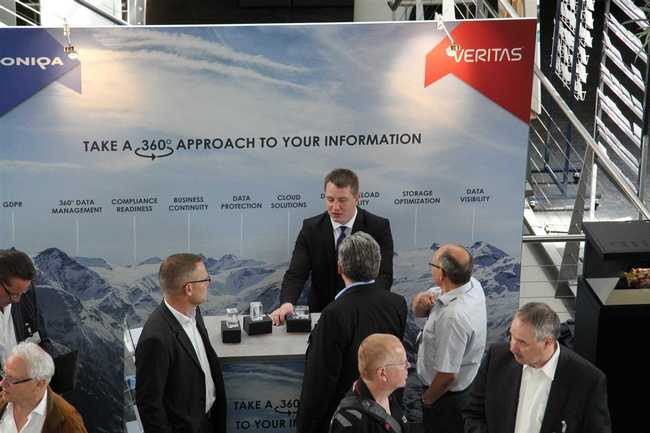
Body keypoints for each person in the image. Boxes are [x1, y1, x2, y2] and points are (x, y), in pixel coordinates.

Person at [297, 231, 407, 433]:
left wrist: (305, 427)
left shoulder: (334, 314)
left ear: (339, 267)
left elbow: (319, 383)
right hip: (386, 417)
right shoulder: (397, 304)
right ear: (377, 266)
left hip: (347, 421)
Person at [463, 302, 612, 433]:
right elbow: (473, 413)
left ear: (547, 342)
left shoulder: (588, 381)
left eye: (522, 342)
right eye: (511, 336)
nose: (512, 348)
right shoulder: (496, 358)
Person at [271, 168, 393, 324]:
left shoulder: (378, 227)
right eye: (330, 199)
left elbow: (384, 275)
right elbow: (296, 273)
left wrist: (367, 306)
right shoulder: (311, 228)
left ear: (357, 198)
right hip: (321, 314)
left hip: (362, 313)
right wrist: (287, 303)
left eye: (342, 200)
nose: (335, 207)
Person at [135, 253, 227, 433]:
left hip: (209, 421)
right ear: (189, 289)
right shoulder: (155, 339)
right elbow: (150, 407)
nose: (208, 284)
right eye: (205, 280)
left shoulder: (194, 311)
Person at [411, 244, 486, 433]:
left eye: (432, 265)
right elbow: (426, 303)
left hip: (445, 399)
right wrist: (420, 301)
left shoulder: (452, 317)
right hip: (460, 389)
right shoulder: (471, 284)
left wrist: (427, 400)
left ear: (442, 274)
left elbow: (447, 376)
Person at [0, 341, 88, 433]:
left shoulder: (68, 424)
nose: (2, 383)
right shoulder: (4, 398)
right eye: (4, 374)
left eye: (12, 379)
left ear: (40, 384)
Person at [330, 334, 409, 433]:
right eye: (403, 363)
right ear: (382, 373)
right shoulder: (350, 423)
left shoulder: (388, 393)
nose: (408, 365)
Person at [0, 250, 48, 364]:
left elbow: (41, 339)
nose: (17, 300)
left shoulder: (27, 296)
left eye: (22, 292)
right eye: (13, 294)